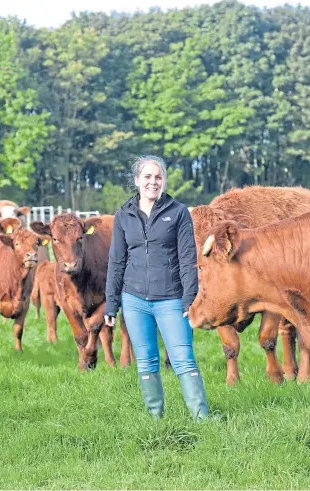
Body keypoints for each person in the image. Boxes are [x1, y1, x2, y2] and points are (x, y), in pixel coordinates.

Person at [104, 155, 211, 420]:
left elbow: (188, 258)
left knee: (183, 358)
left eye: (158, 177)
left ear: (163, 181)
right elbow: (116, 260)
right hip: (134, 300)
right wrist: (111, 303)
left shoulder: (178, 212)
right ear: (138, 180)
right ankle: (155, 419)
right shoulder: (124, 215)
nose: (153, 182)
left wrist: (190, 298)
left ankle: (201, 417)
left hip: (171, 299)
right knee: (146, 361)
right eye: (148, 177)